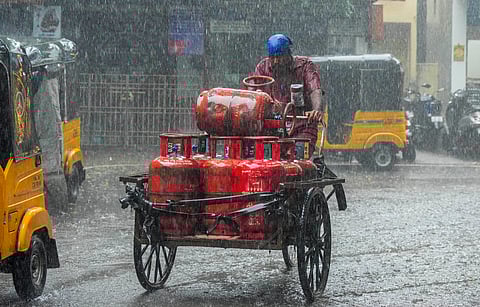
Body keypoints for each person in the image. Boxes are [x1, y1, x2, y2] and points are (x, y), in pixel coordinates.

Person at [255, 33, 325, 158]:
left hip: (302, 126)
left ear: (288, 54)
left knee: (297, 161)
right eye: (273, 58)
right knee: (263, 160)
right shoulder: (262, 67)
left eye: (280, 57)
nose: (276, 61)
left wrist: (316, 110)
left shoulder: (305, 66)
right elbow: (254, 92)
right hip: (273, 128)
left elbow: (315, 89)